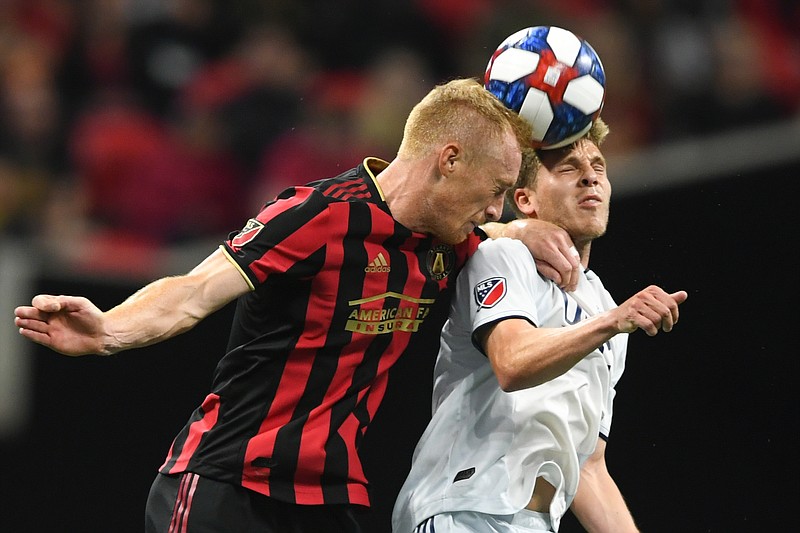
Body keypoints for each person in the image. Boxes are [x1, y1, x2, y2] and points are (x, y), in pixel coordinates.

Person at [13, 78, 584, 533]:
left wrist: (521, 233)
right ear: (449, 160)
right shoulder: (317, 215)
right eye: (495, 190)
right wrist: (109, 329)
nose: (495, 209)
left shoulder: (453, 244)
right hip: (226, 483)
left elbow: (493, 235)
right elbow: (193, 291)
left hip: (326, 500)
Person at [392, 118, 688, 533]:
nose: (590, 177)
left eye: (599, 168)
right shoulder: (503, 256)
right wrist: (612, 322)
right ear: (525, 199)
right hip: (463, 511)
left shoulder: (602, 305)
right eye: (569, 168)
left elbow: (589, 468)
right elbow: (512, 363)